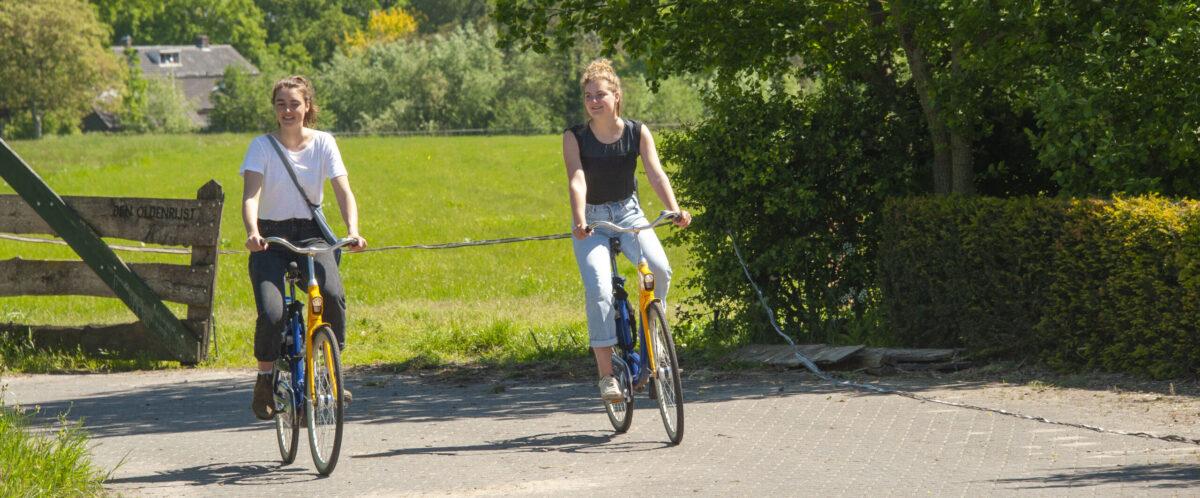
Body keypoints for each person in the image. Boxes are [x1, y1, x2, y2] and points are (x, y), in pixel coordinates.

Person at [563, 58, 692, 402]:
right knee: (601, 291)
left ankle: (653, 344)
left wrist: (674, 209)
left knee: (660, 270)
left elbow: (655, 173)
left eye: (600, 94)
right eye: (588, 95)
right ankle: (607, 378)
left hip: (629, 213)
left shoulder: (637, 131)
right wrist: (579, 219)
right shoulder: (575, 137)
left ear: (616, 96)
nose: (593, 101)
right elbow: (577, 179)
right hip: (592, 220)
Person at [241, 75, 367, 420]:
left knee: (331, 295)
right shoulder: (262, 146)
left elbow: (343, 191)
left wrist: (352, 231)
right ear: (274, 108)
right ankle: (265, 379)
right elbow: (251, 195)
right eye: (281, 104)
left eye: (294, 103)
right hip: (271, 238)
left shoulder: (324, 143)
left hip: (312, 235)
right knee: (272, 313)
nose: (287, 110)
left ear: (307, 106)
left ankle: (331, 369)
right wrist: (253, 232)